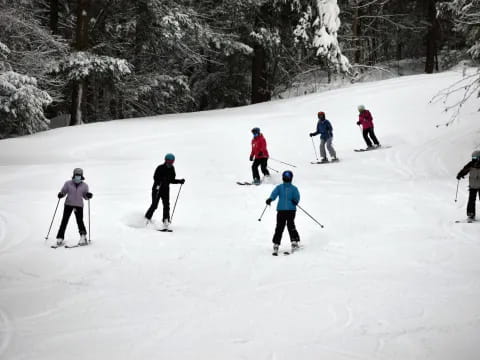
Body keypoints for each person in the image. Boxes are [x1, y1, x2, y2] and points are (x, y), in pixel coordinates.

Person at [145, 153, 185, 230]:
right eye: (169, 161)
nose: (170, 163)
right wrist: (161, 179)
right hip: (157, 188)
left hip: (165, 190)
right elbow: (155, 177)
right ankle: (147, 219)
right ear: (165, 160)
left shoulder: (172, 169)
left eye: (172, 162)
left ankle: (166, 220)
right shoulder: (160, 168)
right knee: (154, 205)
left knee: (166, 205)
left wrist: (179, 181)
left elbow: (171, 180)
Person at [265, 170, 300, 255]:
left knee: (290, 225)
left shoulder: (294, 188)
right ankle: (276, 243)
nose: (286, 178)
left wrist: (295, 201)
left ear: (291, 178)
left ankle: (294, 241)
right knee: (279, 227)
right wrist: (270, 199)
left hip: (291, 210)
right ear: (283, 178)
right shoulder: (279, 187)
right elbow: (274, 194)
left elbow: (297, 197)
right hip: (281, 210)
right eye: (285, 177)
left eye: (288, 177)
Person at [56, 168, 92, 246]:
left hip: (79, 205)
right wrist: (61, 194)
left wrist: (88, 195)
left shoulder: (85, 185)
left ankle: (83, 237)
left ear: (81, 176)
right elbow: (64, 191)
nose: (77, 176)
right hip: (68, 204)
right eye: (76, 175)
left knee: (80, 221)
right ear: (74, 175)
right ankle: (60, 237)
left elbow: (85, 197)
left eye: (79, 175)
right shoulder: (68, 183)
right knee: (64, 220)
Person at [456, 150, 480, 221]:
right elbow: (465, 170)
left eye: (475, 157)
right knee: (471, 200)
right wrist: (460, 174)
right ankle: (470, 214)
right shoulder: (471, 164)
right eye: (473, 157)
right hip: (473, 185)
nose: (474, 159)